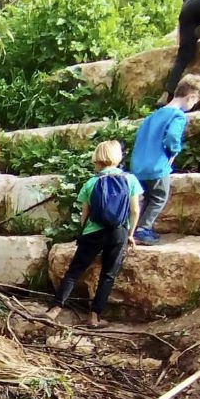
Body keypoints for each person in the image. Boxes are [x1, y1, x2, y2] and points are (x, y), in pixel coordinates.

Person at [45, 140, 141, 328]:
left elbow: (85, 213)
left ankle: (54, 309)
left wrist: (84, 232)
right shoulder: (130, 180)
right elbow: (135, 210)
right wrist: (130, 234)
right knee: (108, 275)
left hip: (93, 232)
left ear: (97, 158)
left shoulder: (91, 182)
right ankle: (95, 317)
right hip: (118, 232)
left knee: (74, 271)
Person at [130, 72, 200, 245]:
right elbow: (172, 137)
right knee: (159, 197)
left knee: (147, 197)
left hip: (139, 165)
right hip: (157, 166)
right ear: (191, 96)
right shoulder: (177, 116)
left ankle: (135, 228)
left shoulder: (153, 115)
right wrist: (174, 151)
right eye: (195, 101)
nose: (194, 105)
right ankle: (143, 230)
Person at [162, 0, 200, 101]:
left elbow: (184, 5)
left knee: (183, 57)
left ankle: (167, 94)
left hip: (189, 7)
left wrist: (180, 42)